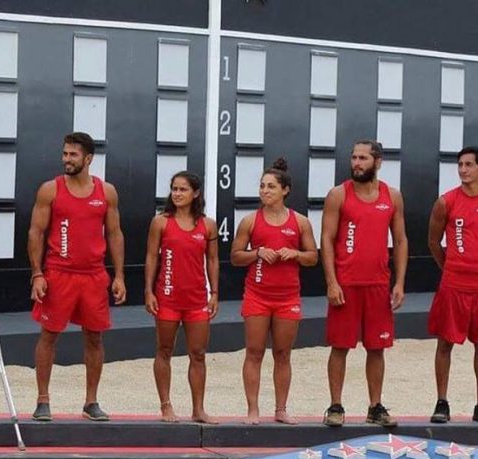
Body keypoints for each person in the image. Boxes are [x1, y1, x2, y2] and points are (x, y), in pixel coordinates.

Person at [28, 132, 126, 422]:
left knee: (94, 338)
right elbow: (36, 232)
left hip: (94, 275)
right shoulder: (51, 189)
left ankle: (91, 402)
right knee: (49, 336)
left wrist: (118, 275)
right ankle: (43, 400)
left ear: (88, 158)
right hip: (59, 273)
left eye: (72, 155)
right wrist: (37, 273)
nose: (66, 159)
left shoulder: (106, 192)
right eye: (65, 154)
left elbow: (114, 233)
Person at [320, 141, 408, 427]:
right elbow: (327, 240)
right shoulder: (338, 195)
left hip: (378, 284)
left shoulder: (392, 197)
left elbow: (401, 240)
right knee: (340, 346)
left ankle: (375, 407)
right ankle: (335, 406)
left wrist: (400, 282)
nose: (356, 163)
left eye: (363, 158)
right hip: (346, 284)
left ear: (377, 162)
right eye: (354, 157)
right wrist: (332, 282)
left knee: (376, 347)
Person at [231, 158, 318, 424]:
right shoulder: (249, 221)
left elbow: (313, 257)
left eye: (271, 186)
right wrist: (257, 253)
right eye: (262, 186)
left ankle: (281, 409)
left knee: (283, 354)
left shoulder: (300, 222)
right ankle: (253, 410)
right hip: (257, 295)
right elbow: (235, 256)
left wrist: (294, 253)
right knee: (254, 352)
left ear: (285, 190)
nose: (265, 191)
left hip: (287, 298)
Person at [427, 146, 478, 425]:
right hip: (453, 282)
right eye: (460, 165)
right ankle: (441, 402)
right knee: (445, 341)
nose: (463, 169)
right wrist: (450, 267)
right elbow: (433, 242)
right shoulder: (446, 202)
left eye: (469, 165)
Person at [144, 171, 219, 423]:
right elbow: (152, 257)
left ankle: (198, 409)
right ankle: (166, 405)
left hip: (197, 300)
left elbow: (213, 260)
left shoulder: (207, 225)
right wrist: (148, 291)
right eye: (174, 189)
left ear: (195, 193)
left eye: (182, 189)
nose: (177, 194)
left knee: (198, 354)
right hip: (167, 298)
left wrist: (215, 293)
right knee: (164, 350)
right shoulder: (161, 222)